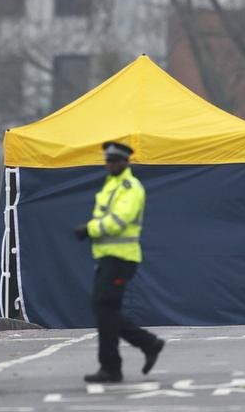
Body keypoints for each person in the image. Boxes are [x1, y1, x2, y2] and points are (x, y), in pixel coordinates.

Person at [74, 141, 164, 383]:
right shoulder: (110, 185)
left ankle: (113, 366)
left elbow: (120, 220)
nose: (110, 165)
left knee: (104, 308)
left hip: (122, 258)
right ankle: (147, 344)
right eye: (107, 161)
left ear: (126, 162)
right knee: (104, 309)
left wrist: (89, 229)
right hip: (108, 257)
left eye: (114, 161)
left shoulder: (130, 187)